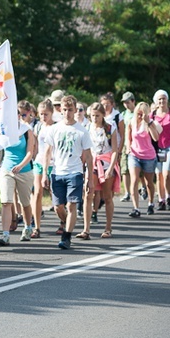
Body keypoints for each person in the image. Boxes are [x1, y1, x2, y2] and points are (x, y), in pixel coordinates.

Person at [41, 95, 94, 250]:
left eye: (71, 110)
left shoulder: (82, 131)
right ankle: (65, 222)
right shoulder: (54, 129)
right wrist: (45, 173)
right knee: (58, 206)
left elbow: (89, 157)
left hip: (75, 172)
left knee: (72, 205)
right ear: (61, 110)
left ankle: (67, 237)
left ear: (75, 110)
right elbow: (48, 152)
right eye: (65, 109)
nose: (68, 113)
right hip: (57, 172)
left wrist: (89, 178)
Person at [0, 108, 36, 245]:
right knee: (6, 202)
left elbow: (30, 152)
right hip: (7, 170)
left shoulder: (26, 130)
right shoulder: (4, 131)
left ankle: (28, 227)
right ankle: (5, 235)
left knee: (25, 203)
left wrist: (21, 165)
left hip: (24, 170)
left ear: (19, 116)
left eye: (17, 115)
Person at [85, 102, 119, 239]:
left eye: (97, 116)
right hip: (92, 163)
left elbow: (115, 150)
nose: (94, 118)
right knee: (88, 194)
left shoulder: (110, 128)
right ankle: (86, 229)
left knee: (107, 196)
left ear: (103, 115)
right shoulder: (87, 128)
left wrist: (111, 168)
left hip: (106, 162)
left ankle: (108, 227)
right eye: (92, 116)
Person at [125, 102, 161, 217]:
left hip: (149, 156)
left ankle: (150, 203)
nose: (140, 116)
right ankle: (136, 208)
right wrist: (128, 148)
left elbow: (156, 138)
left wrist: (148, 122)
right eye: (138, 114)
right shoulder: (132, 122)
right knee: (134, 180)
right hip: (134, 155)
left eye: (142, 114)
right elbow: (128, 137)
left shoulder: (151, 123)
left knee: (149, 182)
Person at [31, 99, 55, 238]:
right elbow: (35, 144)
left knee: (54, 195)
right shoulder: (38, 127)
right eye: (41, 114)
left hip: (53, 164)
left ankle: (63, 222)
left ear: (51, 113)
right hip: (39, 162)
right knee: (37, 193)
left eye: (46, 114)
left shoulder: (56, 127)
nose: (43, 117)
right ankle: (37, 227)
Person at [151, 90, 170, 211]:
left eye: (163, 99)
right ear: (156, 101)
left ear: (167, 100)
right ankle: (161, 200)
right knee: (159, 174)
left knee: (166, 174)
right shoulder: (152, 115)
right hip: (157, 148)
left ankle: (169, 196)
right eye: (159, 99)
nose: (161, 101)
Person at [119, 92, 136, 202]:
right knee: (124, 170)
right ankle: (127, 192)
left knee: (137, 170)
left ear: (133, 101)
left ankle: (142, 187)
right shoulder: (123, 114)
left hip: (137, 145)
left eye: (128, 102)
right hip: (126, 144)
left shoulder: (138, 113)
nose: (126, 105)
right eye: (124, 103)